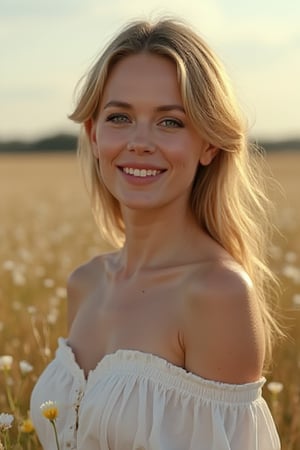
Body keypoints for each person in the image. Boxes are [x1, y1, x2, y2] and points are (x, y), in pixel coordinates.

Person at [30, 18, 281, 449]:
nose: (140, 142)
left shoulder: (217, 294)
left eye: (170, 123)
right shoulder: (85, 284)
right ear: (94, 135)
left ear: (209, 144)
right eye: (120, 117)